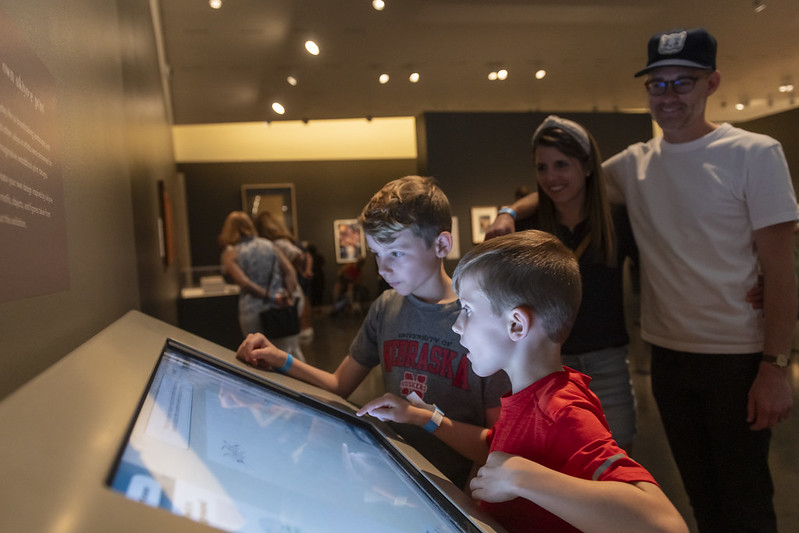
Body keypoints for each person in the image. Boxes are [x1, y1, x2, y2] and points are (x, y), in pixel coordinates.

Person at [488, 28, 798, 532]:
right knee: (700, 493)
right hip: (668, 355)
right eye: (658, 84)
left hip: (738, 354)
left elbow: (783, 267)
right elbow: (565, 182)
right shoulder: (635, 165)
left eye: (683, 82)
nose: (669, 96)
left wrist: (775, 366)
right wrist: (507, 210)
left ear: (711, 83)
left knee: (745, 498)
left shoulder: (754, 153)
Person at [357, 231, 688, 533]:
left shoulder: (562, 411)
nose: (457, 326)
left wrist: (524, 479)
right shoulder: (529, 394)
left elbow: (666, 524)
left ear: (516, 325)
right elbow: (502, 447)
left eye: (468, 310)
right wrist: (425, 418)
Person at [237, 176, 509, 488]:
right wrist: (281, 359)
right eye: (376, 253)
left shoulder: (480, 318)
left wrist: (428, 419)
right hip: (396, 482)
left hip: (454, 491)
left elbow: (497, 446)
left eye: (395, 253)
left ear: (442, 245)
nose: (382, 268)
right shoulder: (385, 307)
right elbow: (339, 384)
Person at [511, 115, 640, 451]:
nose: (551, 177)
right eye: (542, 167)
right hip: (549, 362)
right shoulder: (530, 225)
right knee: (557, 454)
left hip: (607, 360)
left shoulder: (617, 221)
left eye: (561, 165)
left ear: (586, 167)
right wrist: (507, 213)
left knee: (617, 451)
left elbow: (656, 274)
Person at [218, 211, 305, 361]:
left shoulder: (231, 252)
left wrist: (268, 296)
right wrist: (287, 295)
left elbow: (243, 281)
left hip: (253, 311)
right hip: (279, 308)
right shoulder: (268, 245)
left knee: (257, 356)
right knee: (287, 355)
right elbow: (289, 271)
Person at [256, 211, 314, 342]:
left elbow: (298, 256)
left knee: (288, 341)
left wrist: (291, 273)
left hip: (288, 291)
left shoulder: (279, 243)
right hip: (289, 290)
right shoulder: (280, 242)